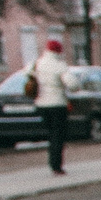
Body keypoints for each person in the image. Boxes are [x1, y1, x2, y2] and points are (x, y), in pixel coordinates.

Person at [30, 39, 72, 175]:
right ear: (59, 51)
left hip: (41, 104)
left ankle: (53, 162)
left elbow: (27, 74)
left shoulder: (37, 63)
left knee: (51, 133)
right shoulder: (59, 65)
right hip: (58, 104)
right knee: (58, 135)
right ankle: (56, 165)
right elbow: (73, 84)